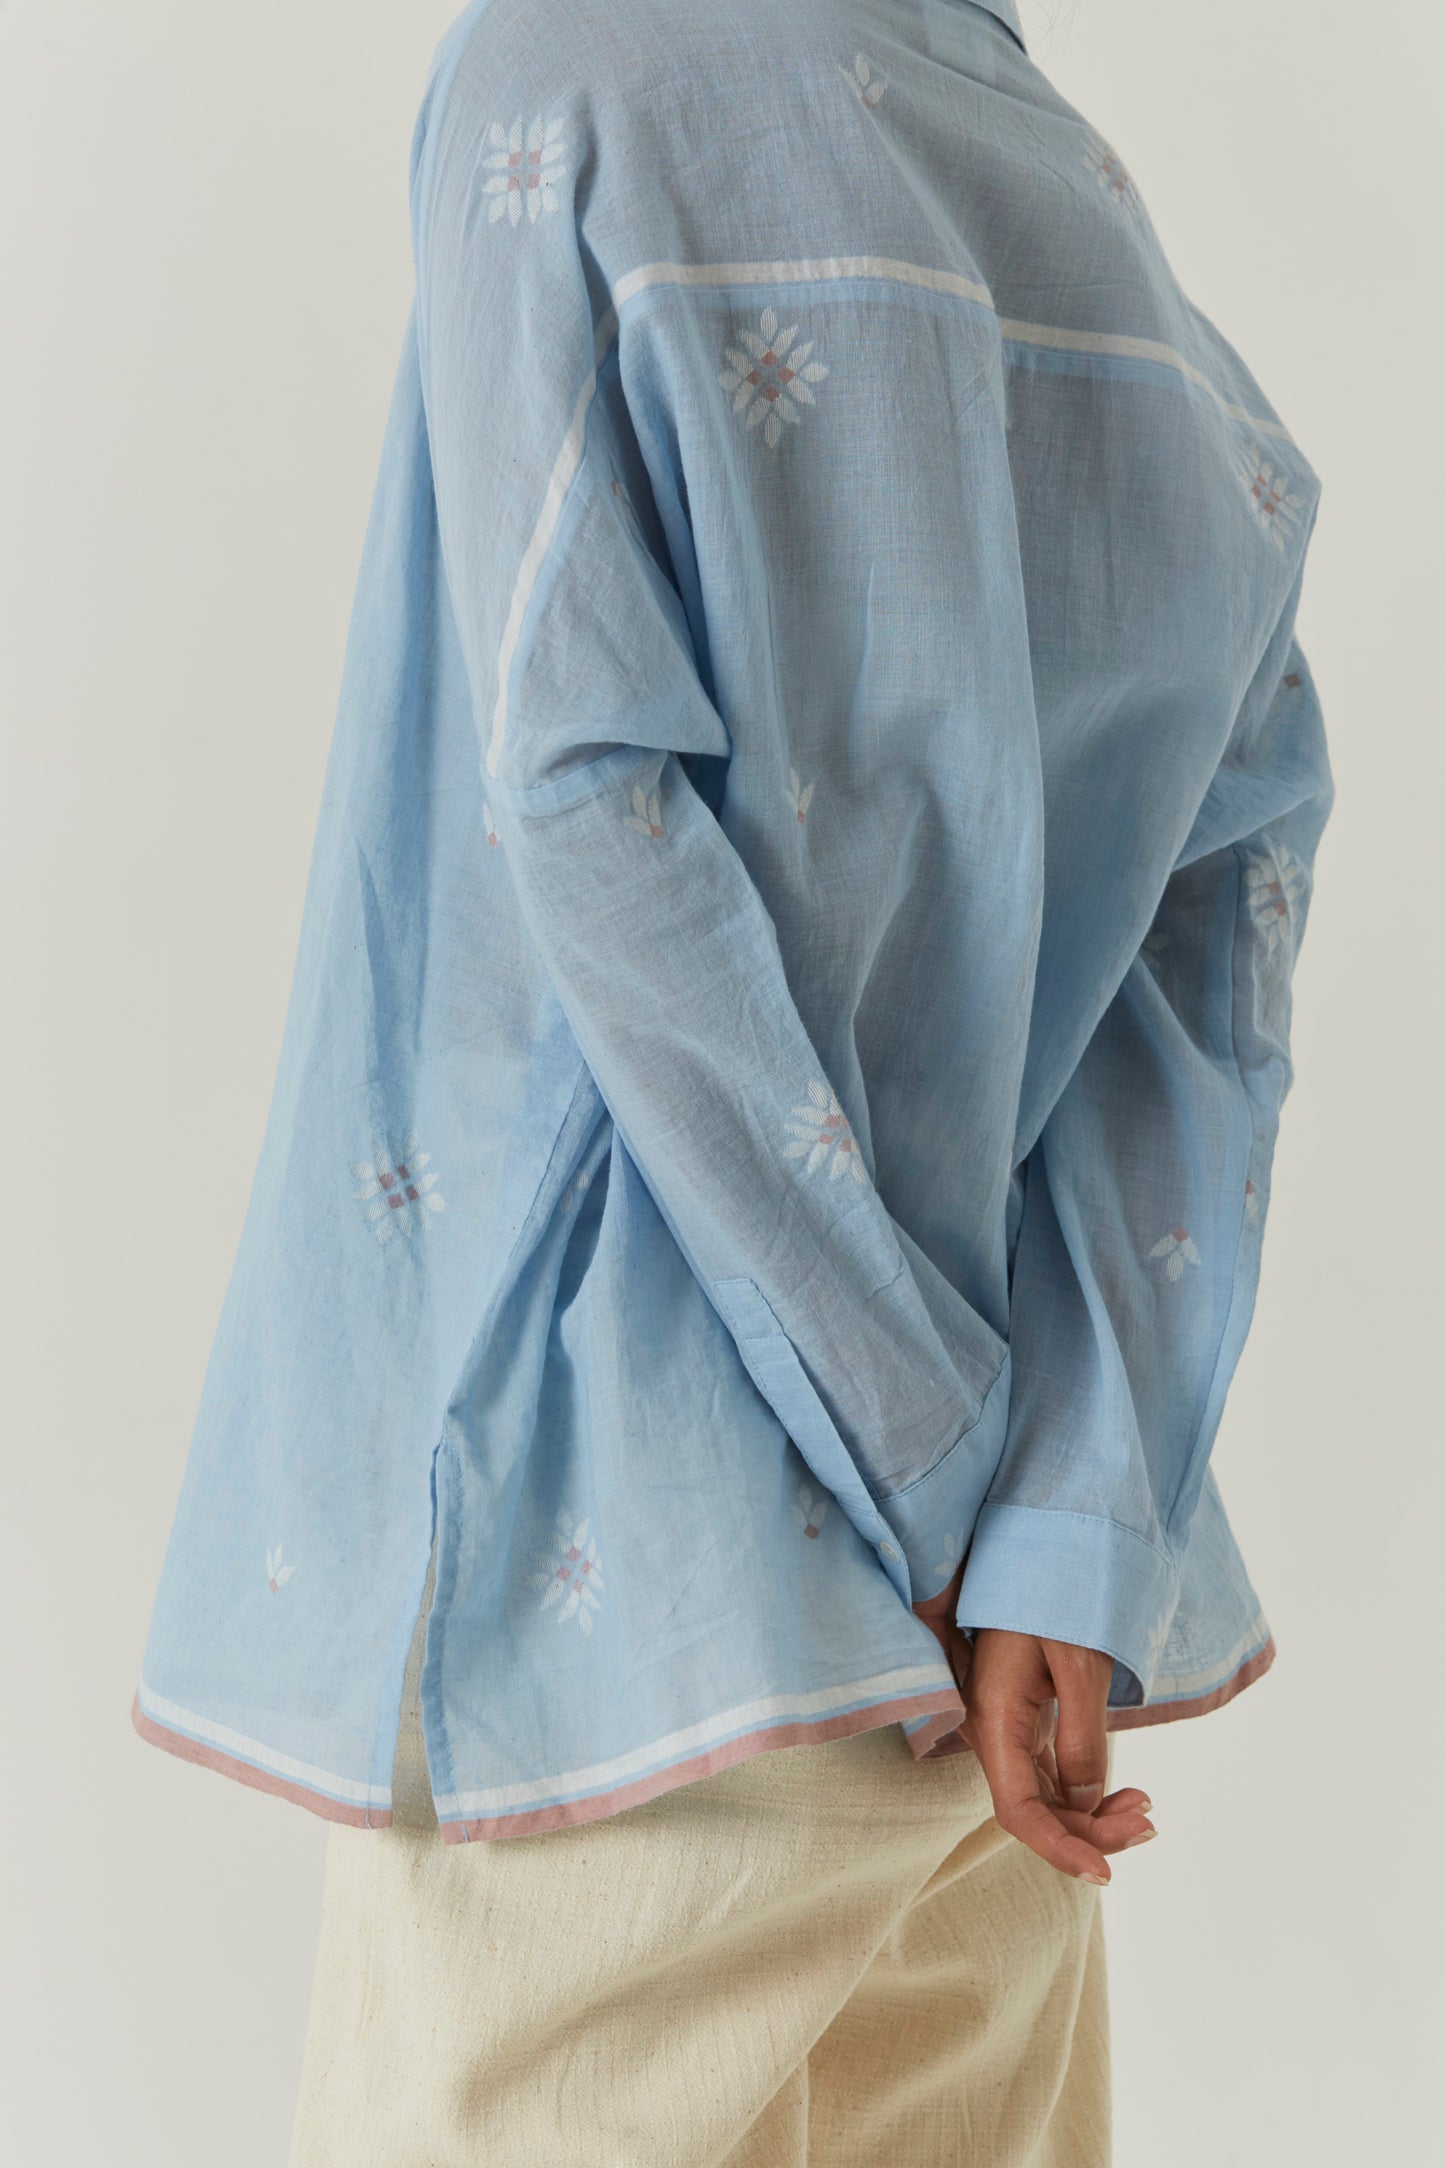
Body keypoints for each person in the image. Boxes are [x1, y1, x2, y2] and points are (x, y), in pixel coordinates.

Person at [130, 0, 1333, 2158]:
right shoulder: (1078, 207)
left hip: (618, 1591)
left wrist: (924, 1467)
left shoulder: (565, 82)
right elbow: (1215, 911)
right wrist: (1060, 1523)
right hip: (991, 1687)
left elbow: (586, 801)